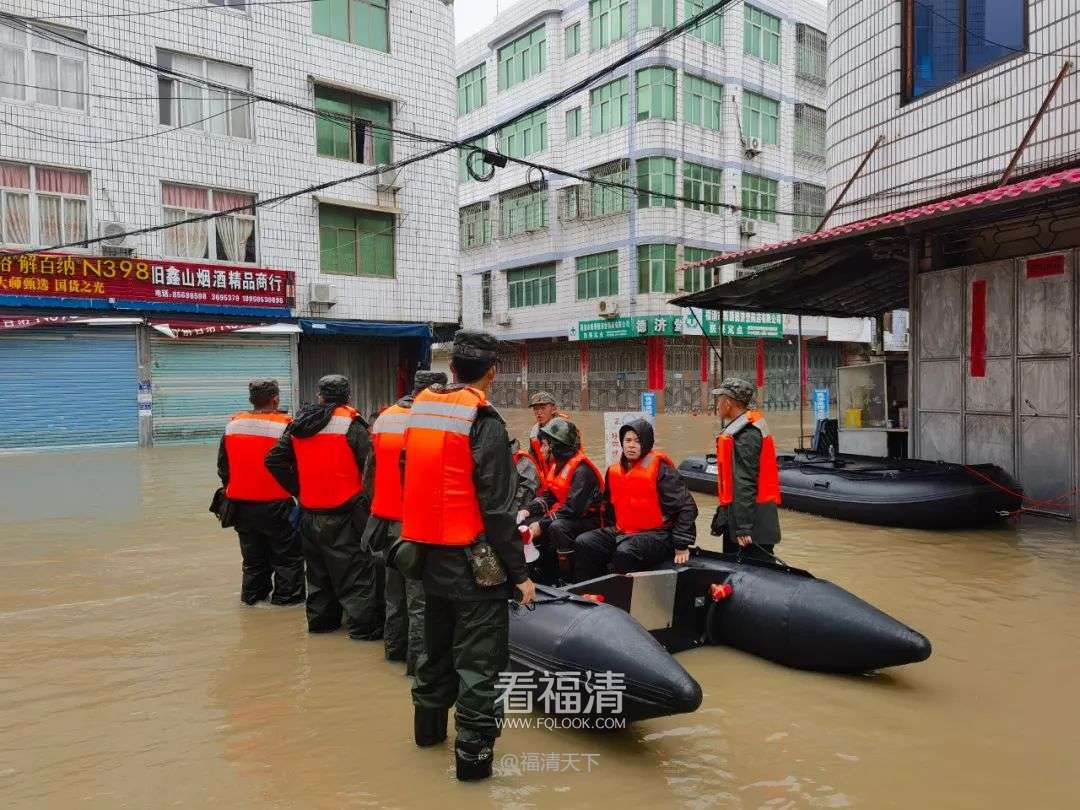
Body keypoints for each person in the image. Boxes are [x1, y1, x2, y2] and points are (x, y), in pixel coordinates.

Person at [399, 330, 535, 782]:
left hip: (426, 558)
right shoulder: (484, 420)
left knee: (434, 654)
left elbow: (406, 473)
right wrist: (520, 575)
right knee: (479, 667)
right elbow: (497, 510)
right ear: (492, 372)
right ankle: (472, 769)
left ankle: (426, 738)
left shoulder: (421, 409)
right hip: (474, 567)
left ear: (453, 368)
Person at [265, 374, 382, 639]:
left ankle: (321, 627)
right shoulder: (351, 424)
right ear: (348, 396)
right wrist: (367, 502)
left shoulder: (299, 424)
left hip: (309, 514)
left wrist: (299, 490)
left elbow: (273, 460)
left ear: (320, 396)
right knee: (355, 576)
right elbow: (371, 467)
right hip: (345, 515)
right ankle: (364, 632)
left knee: (317, 576)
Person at [362, 369, 447, 675]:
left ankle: (394, 652)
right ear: (437, 391)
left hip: (384, 522)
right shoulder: (435, 421)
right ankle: (418, 667)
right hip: (416, 527)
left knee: (394, 594)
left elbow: (369, 476)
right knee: (419, 601)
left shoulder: (385, 418)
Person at [569, 419, 698, 582]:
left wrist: (681, 545)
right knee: (584, 542)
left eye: (637, 441)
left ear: (646, 443)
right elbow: (608, 508)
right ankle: (586, 588)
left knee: (625, 551)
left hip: (658, 535)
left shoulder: (662, 470)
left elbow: (687, 507)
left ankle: (619, 593)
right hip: (623, 531)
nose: (631, 445)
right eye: (628, 440)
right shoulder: (613, 471)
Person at [216, 379, 304, 606]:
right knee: (287, 561)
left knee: (252, 562)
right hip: (277, 506)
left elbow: (223, 467)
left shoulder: (233, 425)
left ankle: (252, 603)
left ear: (251, 400)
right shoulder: (286, 425)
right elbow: (298, 465)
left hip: (240, 506)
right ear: (275, 399)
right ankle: (287, 606)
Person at [517, 417, 603, 584]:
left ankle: (568, 578)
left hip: (589, 520)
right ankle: (541, 572)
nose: (541, 449)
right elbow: (549, 497)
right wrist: (527, 510)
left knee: (557, 527)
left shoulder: (582, 471)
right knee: (527, 522)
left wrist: (542, 524)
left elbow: (573, 509)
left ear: (555, 447)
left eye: (544, 445)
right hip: (568, 515)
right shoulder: (557, 466)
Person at [709, 377, 782, 562]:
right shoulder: (740, 429)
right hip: (743, 517)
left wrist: (743, 527)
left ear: (727, 403)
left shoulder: (747, 434)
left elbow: (744, 481)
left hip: (751, 523)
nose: (717, 405)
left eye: (719, 400)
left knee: (756, 569)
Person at [526, 391, 572, 479]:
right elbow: (532, 460)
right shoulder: (534, 432)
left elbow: (570, 460)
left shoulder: (565, 430)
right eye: (535, 409)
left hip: (562, 479)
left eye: (543, 408)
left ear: (553, 409)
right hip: (545, 479)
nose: (539, 412)